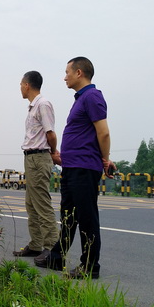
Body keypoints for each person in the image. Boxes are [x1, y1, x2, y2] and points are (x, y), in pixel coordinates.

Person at [34, 57, 116, 279]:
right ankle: (57, 257)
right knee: (69, 216)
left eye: (67, 72)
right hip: (72, 166)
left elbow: (103, 132)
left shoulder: (92, 96)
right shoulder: (81, 98)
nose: (65, 77)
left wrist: (105, 159)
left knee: (87, 217)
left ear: (79, 73)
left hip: (84, 168)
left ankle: (90, 266)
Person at [13, 71, 59, 258]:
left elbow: (51, 134)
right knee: (31, 204)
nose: (20, 88)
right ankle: (36, 245)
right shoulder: (33, 107)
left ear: (27, 85)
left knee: (41, 203)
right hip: (31, 158)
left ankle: (52, 248)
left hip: (39, 158)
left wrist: (53, 152)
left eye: (21, 84)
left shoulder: (42, 104)